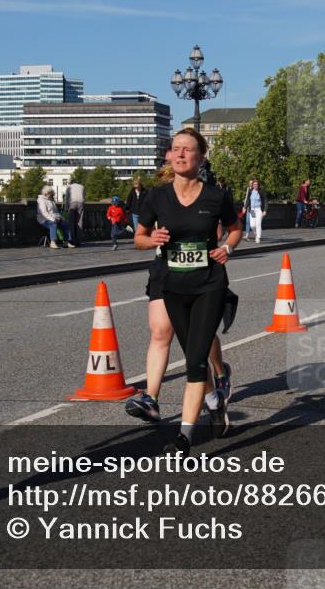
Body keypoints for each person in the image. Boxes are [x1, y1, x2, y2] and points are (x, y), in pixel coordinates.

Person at [134, 128, 241, 454]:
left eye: (188, 149)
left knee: (195, 361)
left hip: (209, 283)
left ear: (200, 156)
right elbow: (139, 237)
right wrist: (151, 241)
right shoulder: (156, 196)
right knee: (188, 353)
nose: (181, 154)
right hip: (173, 285)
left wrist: (228, 248)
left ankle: (184, 437)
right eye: (175, 149)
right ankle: (214, 399)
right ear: (168, 155)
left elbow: (235, 228)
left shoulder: (216, 196)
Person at [64, 179, 85, 247]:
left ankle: (72, 241)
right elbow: (84, 196)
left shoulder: (69, 187)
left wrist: (66, 208)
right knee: (79, 222)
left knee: (71, 223)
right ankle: (79, 241)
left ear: (71, 183)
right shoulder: (82, 186)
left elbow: (67, 198)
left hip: (72, 203)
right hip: (81, 203)